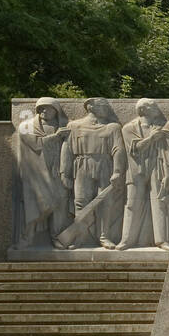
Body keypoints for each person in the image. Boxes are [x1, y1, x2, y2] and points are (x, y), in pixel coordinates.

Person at [59, 97, 127, 249]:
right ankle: (79, 237)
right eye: (103, 106)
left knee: (106, 202)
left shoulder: (113, 127)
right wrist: (65, 173)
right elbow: (67, 150)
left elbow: (118, 150)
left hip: (105, 165)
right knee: (81, 201)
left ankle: (104, 236)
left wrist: (117, 171)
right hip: (82, 165)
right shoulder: (74, 126)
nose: (107, 109)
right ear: (90, 107)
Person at [117, 99, 169, 250]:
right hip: (136, 171)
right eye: (152, 106)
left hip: (157, 168)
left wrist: (167, 173)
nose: (156, 108)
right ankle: (126, 240)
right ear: (142, 110)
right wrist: (152, 138)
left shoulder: (164, 126)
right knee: (131, 204)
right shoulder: (128, 128)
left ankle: (161, 240)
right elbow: (135, 149)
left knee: (159, 203)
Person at [13, 97, 71, 249]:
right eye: (41, 108)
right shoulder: (26, 126)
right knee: (33, 206)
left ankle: (56, 236)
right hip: (36, 175)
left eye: (49, 108)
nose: (44, 111)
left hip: (57, 172)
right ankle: (27, 237)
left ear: (56, 111)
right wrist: (56, 137)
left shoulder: (63, 125)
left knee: (59, 204)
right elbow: (36, 144)